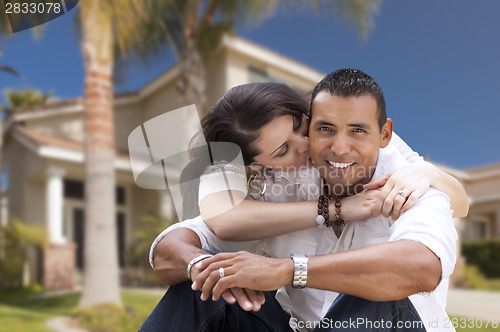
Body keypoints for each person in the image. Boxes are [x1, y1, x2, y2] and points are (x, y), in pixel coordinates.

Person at [141, 73, 462, 331]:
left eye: (301, 127)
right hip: (297, 326)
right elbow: (182, 241)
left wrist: (289, 270)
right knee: (203, 284)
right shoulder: (277, 184)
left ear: (384, 134)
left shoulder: (405, 180)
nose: (313, 145)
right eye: (282, 150)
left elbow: (421, 265)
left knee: (382, 291)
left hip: (392, 324)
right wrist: (202, 267)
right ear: (260, 165)